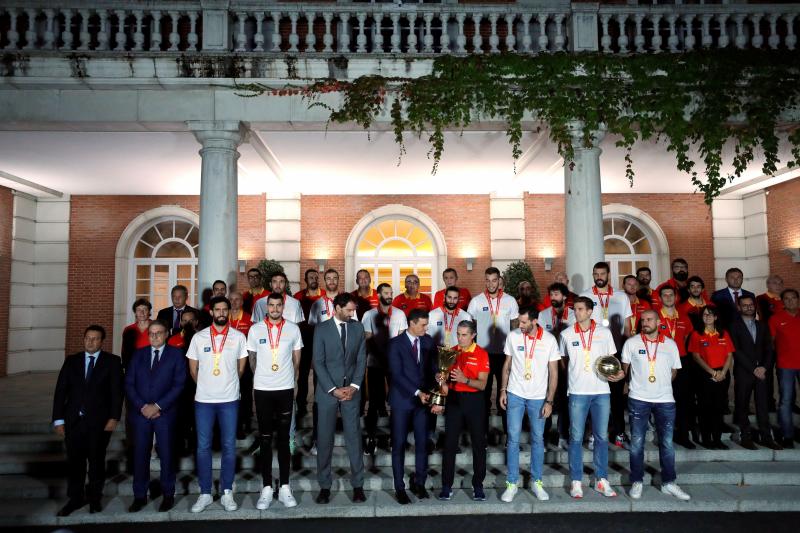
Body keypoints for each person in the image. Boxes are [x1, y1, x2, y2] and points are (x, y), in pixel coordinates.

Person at [52, 325, 123, 517]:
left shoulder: (112, 362)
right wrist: (58, 420)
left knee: (96, 462)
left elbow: (117, 393)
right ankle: (75, 499)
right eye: (87, 338)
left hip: (99, 423)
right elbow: (61, 392)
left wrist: (114, 418)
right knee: (75, 463)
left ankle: (94, 499)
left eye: (95, 339)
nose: (90, 342)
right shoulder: (71, 361)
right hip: (73, 421)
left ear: (102, 341)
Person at [186, 296, 249, 513]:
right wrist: (207, 385)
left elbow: (241, 369)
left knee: (229, 447)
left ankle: (227, 492)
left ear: (228, 311)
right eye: (217, 310)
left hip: (229, 399)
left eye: (225, 309)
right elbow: (193, 370)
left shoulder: (239, 337)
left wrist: (225, 384)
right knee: (203, 447)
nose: (221, 313)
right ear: (211, 312)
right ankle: (204, 492)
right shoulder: (199, 337)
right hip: (203, 400)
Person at [621, 310, 690, 501]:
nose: (645, 323)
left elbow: (674, 370)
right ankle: (637, 480)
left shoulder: (670, 344)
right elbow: (625, 370)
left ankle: (669, 482)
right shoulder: (631, 343)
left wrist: (661, 383)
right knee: (636, 443)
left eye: (649, 319)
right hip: (638, 398)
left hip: (665, 400)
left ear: (658, 322)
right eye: (642, 320)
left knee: (667, 443)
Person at [560, 296, 624, 499]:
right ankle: (576, 481)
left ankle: (601, 480)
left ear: (589, 311)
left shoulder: (604, 333)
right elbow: (564, 360)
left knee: (602, 437)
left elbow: (613, 361)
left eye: (580, 309)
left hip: (601, 391)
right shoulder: (566, 334)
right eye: (575, 309)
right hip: (578, 391)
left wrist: (620, 373)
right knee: (576, 437)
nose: (576, 313)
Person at [247, 293, 303, 509]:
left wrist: (291, 378)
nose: (275, 308)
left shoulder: (293, 329)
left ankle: (286, 487)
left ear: (283, 307)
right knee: (265, 439)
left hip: (285, 389)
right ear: (266, 307)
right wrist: (262, 377)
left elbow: (297, 359)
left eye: (279, 305)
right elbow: (252, 359)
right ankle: (267, 487)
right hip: (263, 390)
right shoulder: (255, 329)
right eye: (271, 305)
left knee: (283, 440)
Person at [499, 306, 560, 502]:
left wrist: (549, 401)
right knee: (513, 439)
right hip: (515, 394)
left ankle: (537, 481)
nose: (520, 325)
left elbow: (554, 373)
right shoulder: (513, 336)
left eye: (524, 322)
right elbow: (506, 366)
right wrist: (502, 390)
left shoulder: (549, 340)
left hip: (538, 397)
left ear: (534, 321)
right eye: (519, 321)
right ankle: (512, 482)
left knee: (537, 440)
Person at [125, 321, 186, 513]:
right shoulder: (138, 355)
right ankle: (140, 496)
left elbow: (179, 385)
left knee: (167, 454)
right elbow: (129, 384)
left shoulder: (176, 355)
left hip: (164, 413)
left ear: (166, 334)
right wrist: (142, 406)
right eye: (151, 333)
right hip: (141, 413)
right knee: (140, 454)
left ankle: (168, 494)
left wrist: (158, 406)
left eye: (158, 333)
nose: (154, 336)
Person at [312, 293, 367, 504]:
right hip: (328, 393)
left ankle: (358, 486)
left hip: (351, 391)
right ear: (337, 308)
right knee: (325, 440)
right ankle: (325, 486)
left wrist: (353, 386)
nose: (353, 313)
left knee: (354, 438)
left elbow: (362, 358)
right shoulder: (321, 329)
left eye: (354, 310)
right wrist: (333, 389)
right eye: (349, 310)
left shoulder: (357, 327)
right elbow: (318, 362)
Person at [387, 309, 438, 504]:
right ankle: (400, 488)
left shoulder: (428, 341)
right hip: (402, 401)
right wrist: (418, 392)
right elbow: (397, 374)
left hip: (422, 403)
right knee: (398, 445)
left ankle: (420, 483)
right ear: (411, 323)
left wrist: (438, 378)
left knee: (422, 444)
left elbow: (433, 368)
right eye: (423, 325)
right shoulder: (395, 344)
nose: (426, 328)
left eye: (427, 324)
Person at [580, 262, 632, 449]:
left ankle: (619, 433)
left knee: (617, 396)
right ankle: (594, 434)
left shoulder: (620, 296)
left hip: (616, 352)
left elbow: (628, 326)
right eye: (596, 274)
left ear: (608, 275)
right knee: (594, 394)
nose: (599, 276)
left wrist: (627, 349)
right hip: (593, 352)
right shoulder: (586, 295)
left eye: (602, 273)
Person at [437, 320, 490, 502]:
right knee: (450, 444)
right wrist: (441, 380)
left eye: (464, 334)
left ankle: (478, 486)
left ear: (473, 335)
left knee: (478, 445)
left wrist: (464, 379)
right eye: (458, 334)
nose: (460, 338)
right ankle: (446, 485)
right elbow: (444, 385)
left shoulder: (482, 354)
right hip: (454, 401)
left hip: (475, 401)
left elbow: (482, 385)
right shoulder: (451, 351)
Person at [467, 266, 520, 438]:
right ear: (485, 280)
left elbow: (515, 328)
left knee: (505, 394)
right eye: (488, 280)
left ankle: (508, 435)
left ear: (499, 280)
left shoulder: (510, 301)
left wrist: (514, 353)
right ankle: (481, 434)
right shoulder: (476, 301)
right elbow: (471, 328)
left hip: (504, 354)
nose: (491, 284)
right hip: (483, 355)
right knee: (483, 395)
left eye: (494, 280)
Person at [361, 283, 408, 454]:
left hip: (394, 365)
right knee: (373, 403)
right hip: (375, 363)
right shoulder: (369, 315)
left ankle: (395, 437)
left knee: (396, 401)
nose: (389, 295)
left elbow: (403, 339)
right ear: (379, 295)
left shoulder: (400, 314)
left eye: (391, 292)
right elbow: (367, 339)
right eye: (386, 293)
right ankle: (371, 438)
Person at [729, 294, 780, 449]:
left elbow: (769, 349)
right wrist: (753, 368)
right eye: (744, 305)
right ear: (739, 307)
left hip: (762, 372)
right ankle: (746, 437)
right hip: (744, 372)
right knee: (743, 405)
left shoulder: (762, 325)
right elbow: (736, 351)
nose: (748, 307)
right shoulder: (733, 326)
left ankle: (766, 437)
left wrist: (764, 367)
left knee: (763, 405)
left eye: (751, 305)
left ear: (754, 306)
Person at [688, 306, 733, 449]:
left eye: (710, 314)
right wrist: (713, 373)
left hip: (722, 374)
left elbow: (730, 355)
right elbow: (696, 356)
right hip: (704, 375)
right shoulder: (696, 334)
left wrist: (723, 372)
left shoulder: (723, 333)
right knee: (705, 408)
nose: (707, 317)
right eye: (705, 314)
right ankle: (707, 439)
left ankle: (718, 439)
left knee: (719, 408)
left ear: (716, 317)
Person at [656, 286, 696, 449]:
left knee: (683, 399)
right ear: (659, 298)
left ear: (676, 297)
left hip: (681, 361)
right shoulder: (656, 317)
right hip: (660, 361)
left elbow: (687, 337)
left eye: (671, 295)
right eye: (664, 295)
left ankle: (683, 435)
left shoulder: (684, 317)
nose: (668, 297)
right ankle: (663, 436)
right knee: (662, 399)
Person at [539, 282, 576, 449]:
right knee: (546, 398)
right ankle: (543, 437)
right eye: (551, 295)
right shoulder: (543, 315)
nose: (553, 298)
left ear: (565, 296)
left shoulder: (575, 315)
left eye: (556, 294)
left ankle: (563, 435)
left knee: (564, 401)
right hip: (548, 363)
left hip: (568, 362)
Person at [770, 288, 800, 449]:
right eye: (786, 299)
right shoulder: (776, 319)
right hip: (785, 365)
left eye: (793, 298)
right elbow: (771, 342)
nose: (790, 301)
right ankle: (787, 435)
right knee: (786, 401)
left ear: (798, 299)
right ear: (782, 302)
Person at [168, 308, 199, 455]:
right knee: (180, 416)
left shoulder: (202, 338)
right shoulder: (173, 340)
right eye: (185, 320)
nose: (188, 323)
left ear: (196, 322)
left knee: (196, 416)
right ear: (180, 323)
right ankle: (180, 444)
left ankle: (194, 443)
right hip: (179, 385)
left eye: (191, 320)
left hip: (197, 383)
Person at [229, 291, 254, 438]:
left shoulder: (249, 318)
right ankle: (234, 425)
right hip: (226, 363)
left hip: (244, 361)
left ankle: (246, 423)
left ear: (242, 302)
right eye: (231, 300)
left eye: (237, 299)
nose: (234, 302)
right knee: (231, 395)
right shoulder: (224, 318)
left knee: (245, 393)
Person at [121, 298, 152, 370]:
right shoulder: (128, 329)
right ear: (135, 312)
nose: (142, 312)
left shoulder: (157, 327)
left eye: (145, 309)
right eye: (138, 310)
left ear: (149, 311)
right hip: (134, 367)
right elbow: (124, 351)